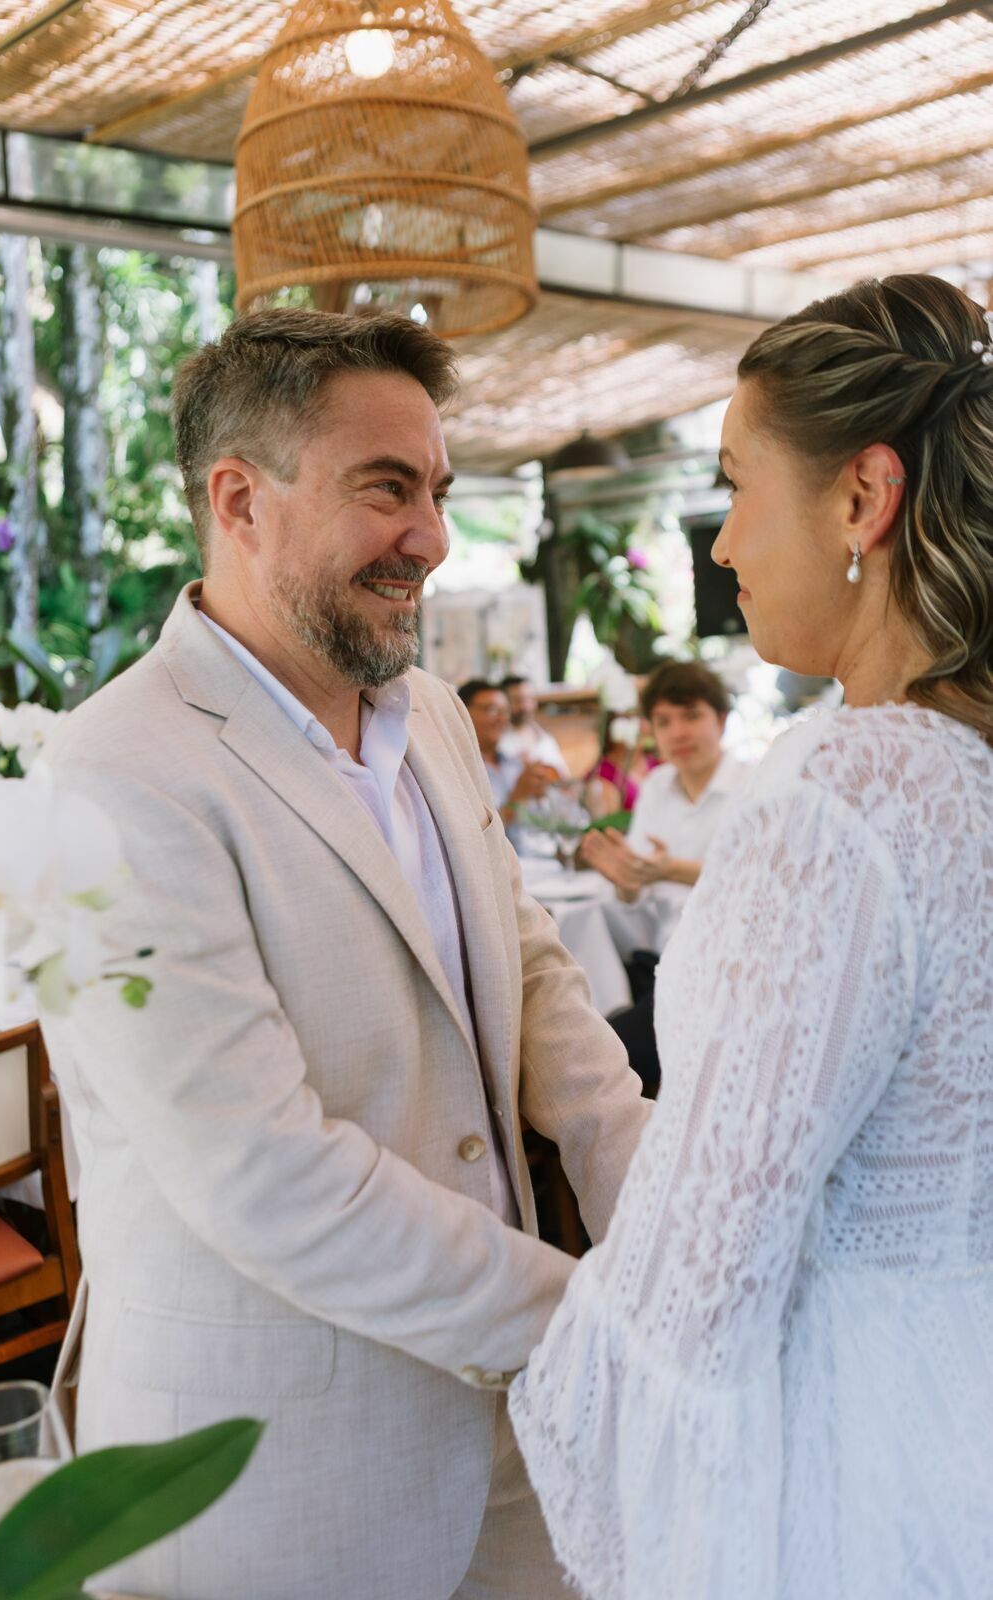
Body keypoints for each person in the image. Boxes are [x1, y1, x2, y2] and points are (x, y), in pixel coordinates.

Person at [40, 308, 649, 1600]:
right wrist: (586, 1320)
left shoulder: (425, 710)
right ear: (238, 500)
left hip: (515, 1447)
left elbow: (531, 972)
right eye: (385, 489)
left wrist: (651, 1204)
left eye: (433, 490)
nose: (428, 538)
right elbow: (262, 1174)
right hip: (279, 1478)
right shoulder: (109, 773)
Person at [509, 273, 993, 1598]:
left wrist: (555, 1371)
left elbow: (696, 1283)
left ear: (860, 498)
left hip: (849, 1462)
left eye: (733, 487)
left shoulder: (840, 808)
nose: (719, 546)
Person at [581, 662, 747, 1095]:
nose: (678, 733)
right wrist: (626, 879)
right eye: (664, 721)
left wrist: (672, 870)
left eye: (691, 716)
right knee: (581, 1038)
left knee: (597, 1064)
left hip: (728, 977)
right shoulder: (657, 784)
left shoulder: (755, 783)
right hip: (662, 965)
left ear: (722, 720)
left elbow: (762, 882)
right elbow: (636, 889)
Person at [458, 677, 559, 839]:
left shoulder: (516, 764)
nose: (502, 719)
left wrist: (541, 797)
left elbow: (543, 827)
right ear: (462, 712)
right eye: (492, 710)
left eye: (505, 712)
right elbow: (474, 839)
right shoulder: (460, 771)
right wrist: (518, 796)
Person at [498, 674, 568, 775]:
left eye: (529, 699)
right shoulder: (499, 743)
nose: (525, 706)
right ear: (503, 703)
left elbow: (564, 776)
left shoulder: (546, 738)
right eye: (517, 701)